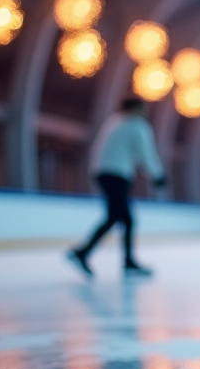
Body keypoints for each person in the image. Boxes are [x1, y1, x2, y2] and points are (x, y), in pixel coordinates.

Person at [68, 98, 166, 279]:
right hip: (117, 174)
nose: (145, 112)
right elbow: (146, 152)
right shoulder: (137, 125)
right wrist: (157, 175)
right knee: (121, 218)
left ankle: (89, 253)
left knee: (120, 218)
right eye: (143, 108)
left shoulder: (113, 122)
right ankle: (86, 253)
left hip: (103, 172)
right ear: (136, 108)